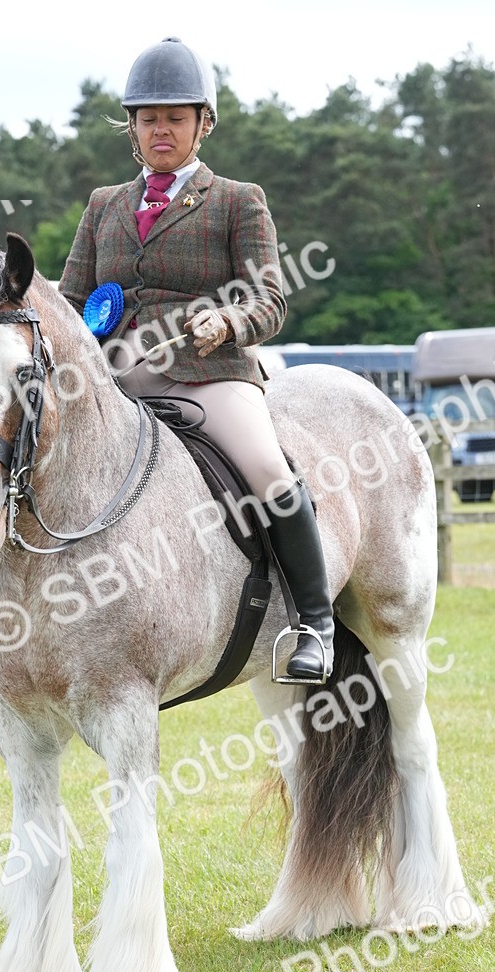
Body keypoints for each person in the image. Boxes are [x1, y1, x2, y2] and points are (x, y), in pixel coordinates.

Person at [59, 36, 334, 682]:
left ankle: (315, 624)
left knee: (268, 467)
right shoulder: (103, 206)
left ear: (202, 124)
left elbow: (271, 299)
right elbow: (71, 301)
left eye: (174, 118)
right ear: (132, 127)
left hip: (208, 375)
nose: (161, 129)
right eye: (149, 118)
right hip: (114, 378)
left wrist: (230, 320)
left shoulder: (238, 199)